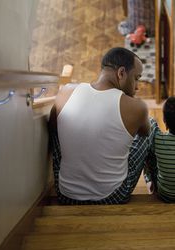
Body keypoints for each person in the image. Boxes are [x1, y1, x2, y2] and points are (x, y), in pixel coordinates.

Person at [48, 47, 159, 205]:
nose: (137, 87)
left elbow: (53, 127)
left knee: (61, 124)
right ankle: (158, 184)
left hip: (66, 195)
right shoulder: (136, 107)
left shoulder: (66, 91)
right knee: (152, 124)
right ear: (121, 73)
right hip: (113, 196)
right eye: (136, 78)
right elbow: (144, 132)